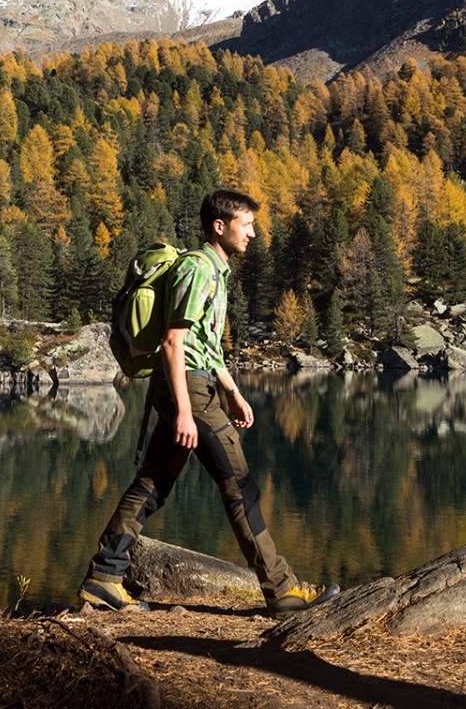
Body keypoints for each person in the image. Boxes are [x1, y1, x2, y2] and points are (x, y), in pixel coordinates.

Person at [78, 189, 340, 618]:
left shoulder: (214, 271)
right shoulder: (199, 269)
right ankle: (282, 590)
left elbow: (205, 344)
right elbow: (172, 341)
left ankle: (103, 579)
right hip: (188, 391)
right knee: (240, 487)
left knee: (152, 483)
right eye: (247, 224)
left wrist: (233, 391)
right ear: (219, 226)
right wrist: (184, 410)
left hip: (194, 385)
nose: (253, 233)